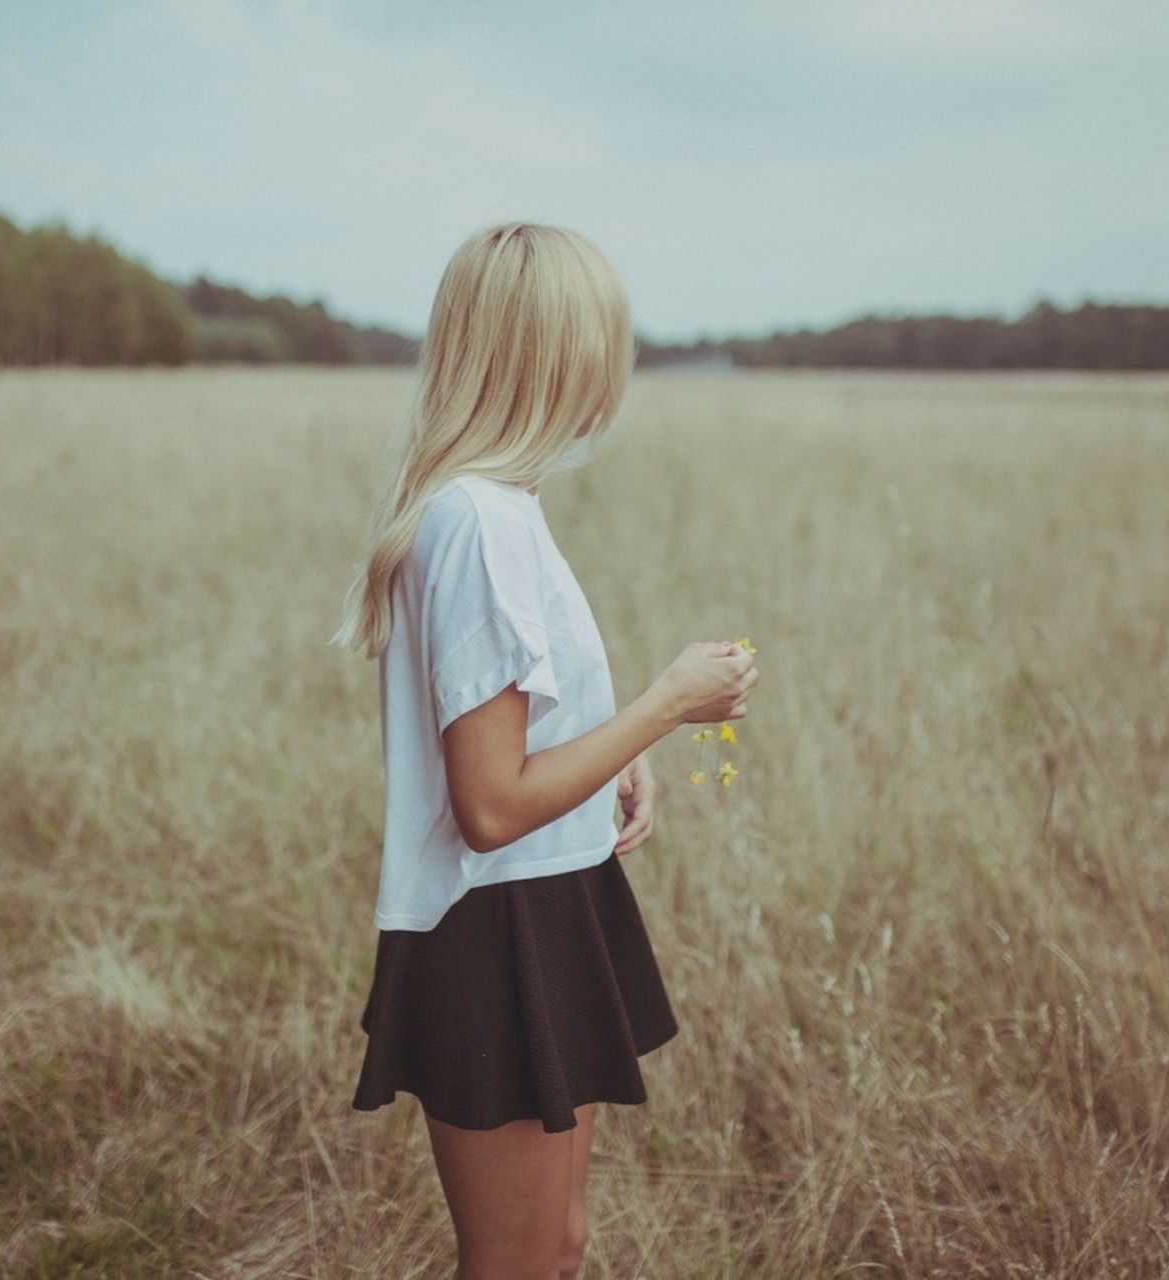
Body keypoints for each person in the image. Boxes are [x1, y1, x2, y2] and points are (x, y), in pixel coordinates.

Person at [331, 220, 759, 1279]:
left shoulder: (502, 504)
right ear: (552, 356)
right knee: (519, 1262)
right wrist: (666, 703)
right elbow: (489, 804)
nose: (615, 368)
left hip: (554, 898)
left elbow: (519, 732)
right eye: (602, 340)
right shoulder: (476, 521)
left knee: (559, 1248)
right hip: (496, 925)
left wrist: (609, 750)